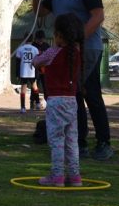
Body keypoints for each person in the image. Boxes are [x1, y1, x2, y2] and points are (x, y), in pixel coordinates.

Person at [33, 0, 113, 160]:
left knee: (89, 93)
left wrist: (77, 41)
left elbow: (98, 16)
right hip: (67, 50)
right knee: (74, 95)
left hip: (86, 49)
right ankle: (80, 143)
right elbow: (40, 13)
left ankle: (103, 143)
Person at [32, 13, 84, 187]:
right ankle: (75, 176)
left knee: (56, 140)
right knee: (71, 139)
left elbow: (36, 62)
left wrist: (42, 62)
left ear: (59, 35)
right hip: (71, 101)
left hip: (55, 101)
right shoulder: (76, 53)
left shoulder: (53, 51)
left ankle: (57, 176)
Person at [15, 33, 40, 113]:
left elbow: (17, 63)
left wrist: (17, 74)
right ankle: (38, 103)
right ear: (32, 40)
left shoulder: (20, 49)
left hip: (23, 71)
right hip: (32, 71)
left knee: (23, 88)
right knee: (35, 86)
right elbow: (37, 62)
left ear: (24, 39)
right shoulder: (35, 49)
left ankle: (23, 107)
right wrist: (37, 73)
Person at [32, 30, 50, 105]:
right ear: (36, 39)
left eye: (41, 39)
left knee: (46, 87)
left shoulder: (46, 45)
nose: (40, 41)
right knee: (35, 86)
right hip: (35, 70)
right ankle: (33, 101)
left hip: (44, 70)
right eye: (38, 39)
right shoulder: (33, 45)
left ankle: (48, 102)